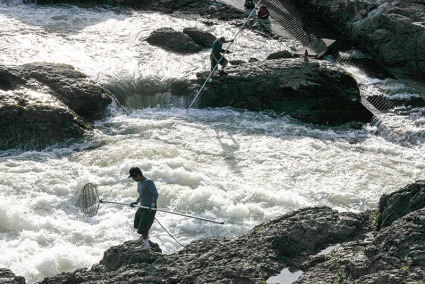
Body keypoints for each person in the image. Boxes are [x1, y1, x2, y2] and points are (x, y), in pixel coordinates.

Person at [128, 167, 159, 249]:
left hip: (149, 208)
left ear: (138, 175)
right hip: (142, 206)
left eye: (134, 177)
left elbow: (156, 194)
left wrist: (153, 204)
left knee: (144, 226)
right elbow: (141, 195)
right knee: (138, 221)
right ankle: (145, 238)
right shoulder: (139, 183)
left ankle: (146, 245)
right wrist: (136, 202)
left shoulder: (148, 182)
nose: (133, 179)